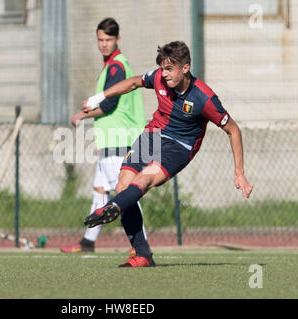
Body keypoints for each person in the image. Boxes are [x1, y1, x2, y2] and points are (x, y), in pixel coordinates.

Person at [82, 41, 254, 267]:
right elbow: (134, 83)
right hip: (152, 135)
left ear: (185, 68)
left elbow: (233, 130)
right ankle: (142, 254)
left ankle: (113, 207)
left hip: (180, 147)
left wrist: (239, 172)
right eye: (162, 68)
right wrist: (100, 97)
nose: (164, 74)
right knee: (123, 186)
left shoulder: (204, 98)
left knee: (144, 180)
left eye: (169, 69)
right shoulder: (159, 78)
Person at [60, 18, 147, 254]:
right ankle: (88, 242)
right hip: (110, 140)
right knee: (100, 190)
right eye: (100, 39)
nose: (103, 44)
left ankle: (140, 246)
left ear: (117, 40)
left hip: (120, 139)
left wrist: (81, 115)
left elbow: (109, 105)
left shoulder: (117, 66)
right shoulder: (113, 65)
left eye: (108, 39)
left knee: (125, 193)